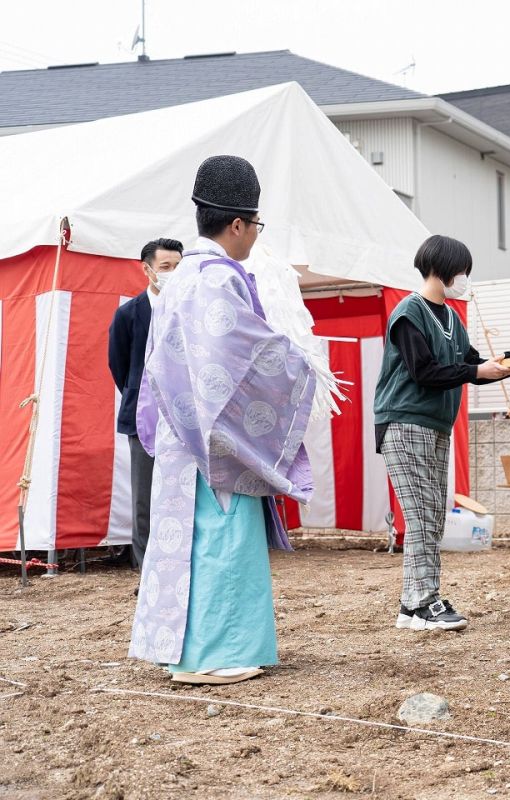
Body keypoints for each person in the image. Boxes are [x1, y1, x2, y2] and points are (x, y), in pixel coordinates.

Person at [129, 155, 319, 685]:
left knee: (187, 543)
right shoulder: (216, 280)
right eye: (256, 226)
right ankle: (214, 654)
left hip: (179, 432)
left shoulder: (180, 278)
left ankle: (186, 650)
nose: (256, 236)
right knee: (219, 541)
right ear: (237, 223)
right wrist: (302, 362)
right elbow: (239, 359)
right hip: (214, 438)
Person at [375, 235, 510, 632]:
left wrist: (501, 366)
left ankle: (413, 602)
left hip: (434, 425)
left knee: (433, 513)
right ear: (445, 269)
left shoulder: (452, 317)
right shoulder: (408, 313)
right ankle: (423, 604)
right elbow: (426, 372)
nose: (465, 279)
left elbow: (469, 364)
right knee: (420, 514)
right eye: (463, 271)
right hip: (403, 421)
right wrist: (477, 370)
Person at [108, 238, 183, 572]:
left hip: (184, 418)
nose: (172, 274)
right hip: (144, 419)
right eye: (166, 267)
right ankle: (147, 570)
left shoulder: (188, 307)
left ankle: (181, 565)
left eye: (179, 267)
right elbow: (119, 366)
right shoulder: (128, 314)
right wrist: (140, 399)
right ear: (147, 269)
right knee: (145, 500)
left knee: (180, 497)